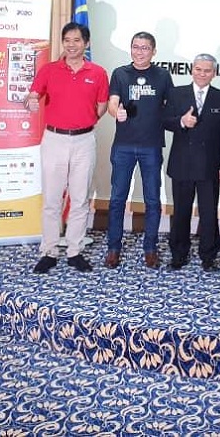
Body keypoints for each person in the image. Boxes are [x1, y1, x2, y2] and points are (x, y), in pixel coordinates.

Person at [25, 22, 109, 274]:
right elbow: (32, 96)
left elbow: (102, 106)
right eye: (67, 40)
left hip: (84, 141)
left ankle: (75, 251)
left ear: (86, 43)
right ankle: (49, 251)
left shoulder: (98, 73)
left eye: (77, 40)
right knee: (52, 199)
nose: (71, 45)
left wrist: (84, 121)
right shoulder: (49, 70)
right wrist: (31, 101)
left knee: (80, 198)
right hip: (54, 140)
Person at [106, 32, 173, 269]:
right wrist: (116, 112)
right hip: (123, 146)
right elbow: (112, 102)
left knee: (152, 200)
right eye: (136, 47)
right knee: (117, 199)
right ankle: (113, 248)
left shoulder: (162, 75)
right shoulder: (120, 73)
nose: (139, 52)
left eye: (145, 48)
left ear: (153, 51)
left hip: (151, 146)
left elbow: (171, 105)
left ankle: (150, 248)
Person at [162, 53, 220, 271]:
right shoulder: (176, 93)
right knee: (181, 211)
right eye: (198, 69)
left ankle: (209, 257)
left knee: (209, 213)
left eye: (207, 70)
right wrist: (181, 121)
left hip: (209, 166)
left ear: (214, 73)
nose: (202, 74)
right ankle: (178, 255)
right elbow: (163, 120)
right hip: (182, 163)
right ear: (192, 70)